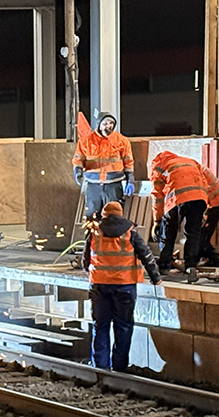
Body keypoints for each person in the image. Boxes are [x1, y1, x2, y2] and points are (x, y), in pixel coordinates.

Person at [83, 201, 161, 372]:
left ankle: (100, 367)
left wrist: (93, 273)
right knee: (124, 327)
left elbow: (85, 260)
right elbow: (146, 255)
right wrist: (155, 278)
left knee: (100, 326)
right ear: (120, 214)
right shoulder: (130, 233)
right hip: (125, 287)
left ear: (104, 215)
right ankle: (119, 368)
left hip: (100, 286)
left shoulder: (95, 232)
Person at [150, 150, 211, 283]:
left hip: (177, 198)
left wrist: (157, 220)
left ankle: (164, 265)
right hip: (199, 197)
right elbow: (204, 183)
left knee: (168, 231)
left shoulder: (159, 167)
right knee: (193, 232)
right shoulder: (190, 161)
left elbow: (157, 196)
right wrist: (205, 209)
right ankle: (191, 266)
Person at [73, 111, 135, 218]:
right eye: (105, 123)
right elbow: (78, 158)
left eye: (111, 123)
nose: (108, 126)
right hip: (93, 184)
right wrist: (77, 171)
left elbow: (128, 162)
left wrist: (130, 180)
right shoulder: (86, 141)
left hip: (114, 184)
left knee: (114, 216)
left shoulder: (122, 141)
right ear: (99, 125)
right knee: (92, 216)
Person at [199, 166, 219, 267]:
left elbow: (202, 192)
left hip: (215, 206)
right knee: (204, 235)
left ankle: (215, 259)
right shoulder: (202, 170)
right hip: (218, 205)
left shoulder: (198, 173)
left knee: (202, 236)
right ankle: (211, 259)